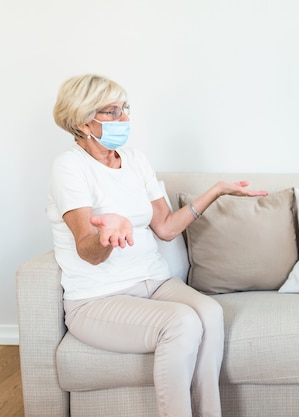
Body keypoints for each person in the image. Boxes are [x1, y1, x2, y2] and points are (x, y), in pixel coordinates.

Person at [47, 74, 268, 417]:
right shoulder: (69, 168)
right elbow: (88, 252)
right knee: (182, 321)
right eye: (112, 112)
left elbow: (165, 228)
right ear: (81, 120)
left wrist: (216, 192)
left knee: (210, 313)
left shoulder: (134, 160)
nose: (124, 119)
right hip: (98, 297)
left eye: (125, 109)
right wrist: (107, 234)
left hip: (154, 282)